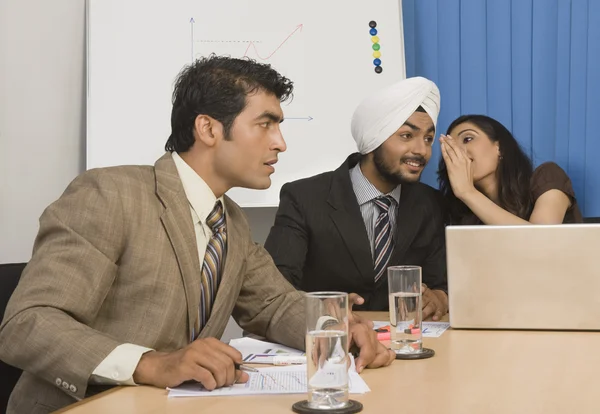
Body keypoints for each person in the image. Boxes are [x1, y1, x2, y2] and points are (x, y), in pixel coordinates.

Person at [0, 55, 394, 414]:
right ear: (207, 128)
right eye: (265, 124)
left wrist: (335, 325)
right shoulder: (110, 194)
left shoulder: (231, 222)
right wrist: (150, 363)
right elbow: (28, 323)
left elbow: (273, 305)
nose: (281, 143)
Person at [264, 77, 449, 318]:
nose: (421, 150)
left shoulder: (430, 204)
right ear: (373, 139)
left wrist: (439, 298)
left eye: (427, 139)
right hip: (328, 341)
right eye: (406, 136)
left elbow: (442, 284)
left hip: (403, 341)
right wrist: (325, 309)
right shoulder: (304, 197)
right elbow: (277, 286)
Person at [437, 114, 583, 225]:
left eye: (468, 139)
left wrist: (468, 192)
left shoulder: (548, 176)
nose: (458, 152)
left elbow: (540, 242)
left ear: (499, 148)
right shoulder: (464, 214)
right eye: (450, 148)